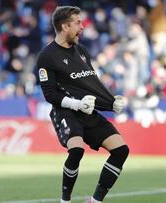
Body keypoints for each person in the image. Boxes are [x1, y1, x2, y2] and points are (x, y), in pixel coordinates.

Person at [36, 6, 129, 203]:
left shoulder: (82, 51)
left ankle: (94, 201)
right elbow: (49, 94)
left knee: (121, 151)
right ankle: (65, 200)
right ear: (65, 26)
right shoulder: (47, 56)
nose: (83, 27)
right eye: (78, 23)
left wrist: (110, 103)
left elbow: (91, 86)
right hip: (66, 112)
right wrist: (76, 105)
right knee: (77, 150)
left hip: (87, 111)